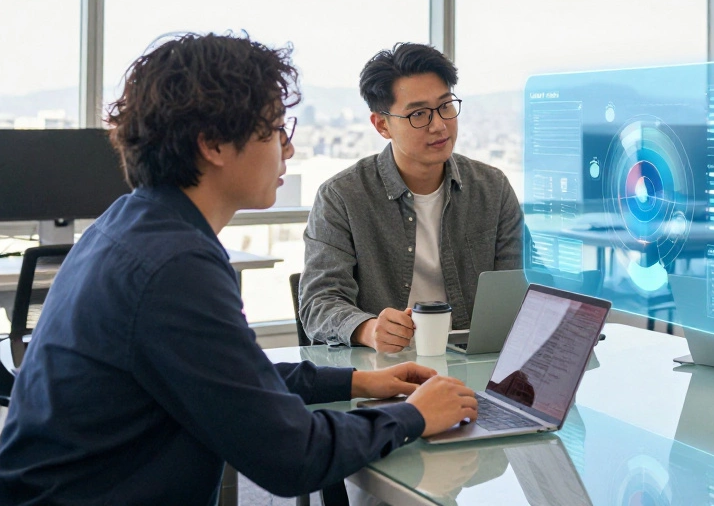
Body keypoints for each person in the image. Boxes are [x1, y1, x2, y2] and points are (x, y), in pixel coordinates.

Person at [0, 34, 478, 505]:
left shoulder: (130, 225)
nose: (287, 150)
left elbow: (232, 379)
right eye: (275, 131)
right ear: (213, 144)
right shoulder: (175, 267)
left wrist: (356, 381)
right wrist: (414, 416)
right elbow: (292, 455)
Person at [300, 43, 523, 352]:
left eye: (446, 106)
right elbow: (319, 302)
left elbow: (519, 288)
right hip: (382, 366)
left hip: (474, 360)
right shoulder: (342, 197)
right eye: (419, 114)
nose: (439, 125)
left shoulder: (492, 188)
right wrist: (368, 329)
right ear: (382, 125)